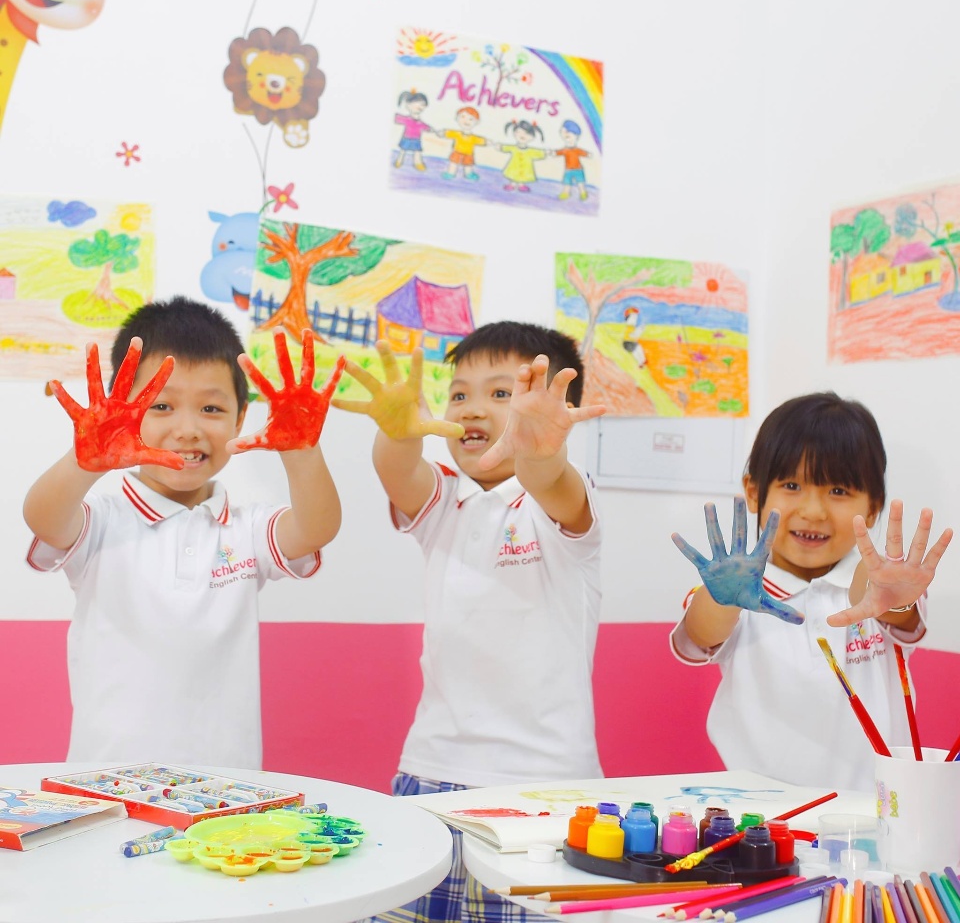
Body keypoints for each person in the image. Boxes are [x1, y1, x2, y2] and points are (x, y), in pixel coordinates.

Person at [331, 322, 605, 923]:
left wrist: (541, 453)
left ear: (558, 410)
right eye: (459, 394)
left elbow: (551, 479)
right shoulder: (445, 499)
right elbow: (399, 473)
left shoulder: (559, 499)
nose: (473, 409)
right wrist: (397, 434)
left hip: (546, 790)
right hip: (431, 774)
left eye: (502, 393)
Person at [23, 297, 345, 768]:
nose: (188, 429)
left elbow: (316, 529)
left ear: (240, 418)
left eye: (211, 408)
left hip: (226, 790)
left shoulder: (248, 529)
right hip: (104, 784)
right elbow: (43, 519)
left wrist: (301, 451)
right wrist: (83, 462)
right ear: (125, 410)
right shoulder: (103, 521)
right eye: (162, 405)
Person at [670, 392, 952, 792]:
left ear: (873, 507)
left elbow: (881, 600)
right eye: (791, 485)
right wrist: (723, 599)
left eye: (838, 491)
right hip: (761, 813)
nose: (814, 511)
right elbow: (701, 633)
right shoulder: (733, 591)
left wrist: (890, 594)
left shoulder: (881, 586)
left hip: (874, 810)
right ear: (754, 491)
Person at [438, 106, 487, 181]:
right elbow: (447, 133)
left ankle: (468, 174)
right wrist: (442, 133)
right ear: (457, 118)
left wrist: (488, 142)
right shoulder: (457, 133)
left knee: (468, 165)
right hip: (457, 152)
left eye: (471, 119)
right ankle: (450, 173)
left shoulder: (474, 138)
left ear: (477, 122)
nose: (466, 121)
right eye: (462, 117)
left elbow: (483, 141)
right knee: (453, 163)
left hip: (468, 154)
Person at [393, 90, 433, 171]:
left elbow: (425, 126)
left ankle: (418, 163)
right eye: (419, 104)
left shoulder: (420, 122)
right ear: (408, 105)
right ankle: (399, 161)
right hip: (407, 138)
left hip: (416, 139)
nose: (421, 107)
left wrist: (429, 129)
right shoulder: (407, 119)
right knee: (403, 150)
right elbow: (397, 118)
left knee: (417, 151)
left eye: (423, 105)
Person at [554, 120, 591, 201]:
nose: (567, 140)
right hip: (568, 170)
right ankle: (566, 193)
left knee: (580, 182)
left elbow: (584, 153)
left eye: (568, 137)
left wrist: (588, 154)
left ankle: (583, 192)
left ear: (576, 137)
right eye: (565, 137)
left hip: (578, 169)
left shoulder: (577, 150)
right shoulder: (565, 150)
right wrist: (554, 153)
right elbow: (558, 152)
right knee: (567, 182)